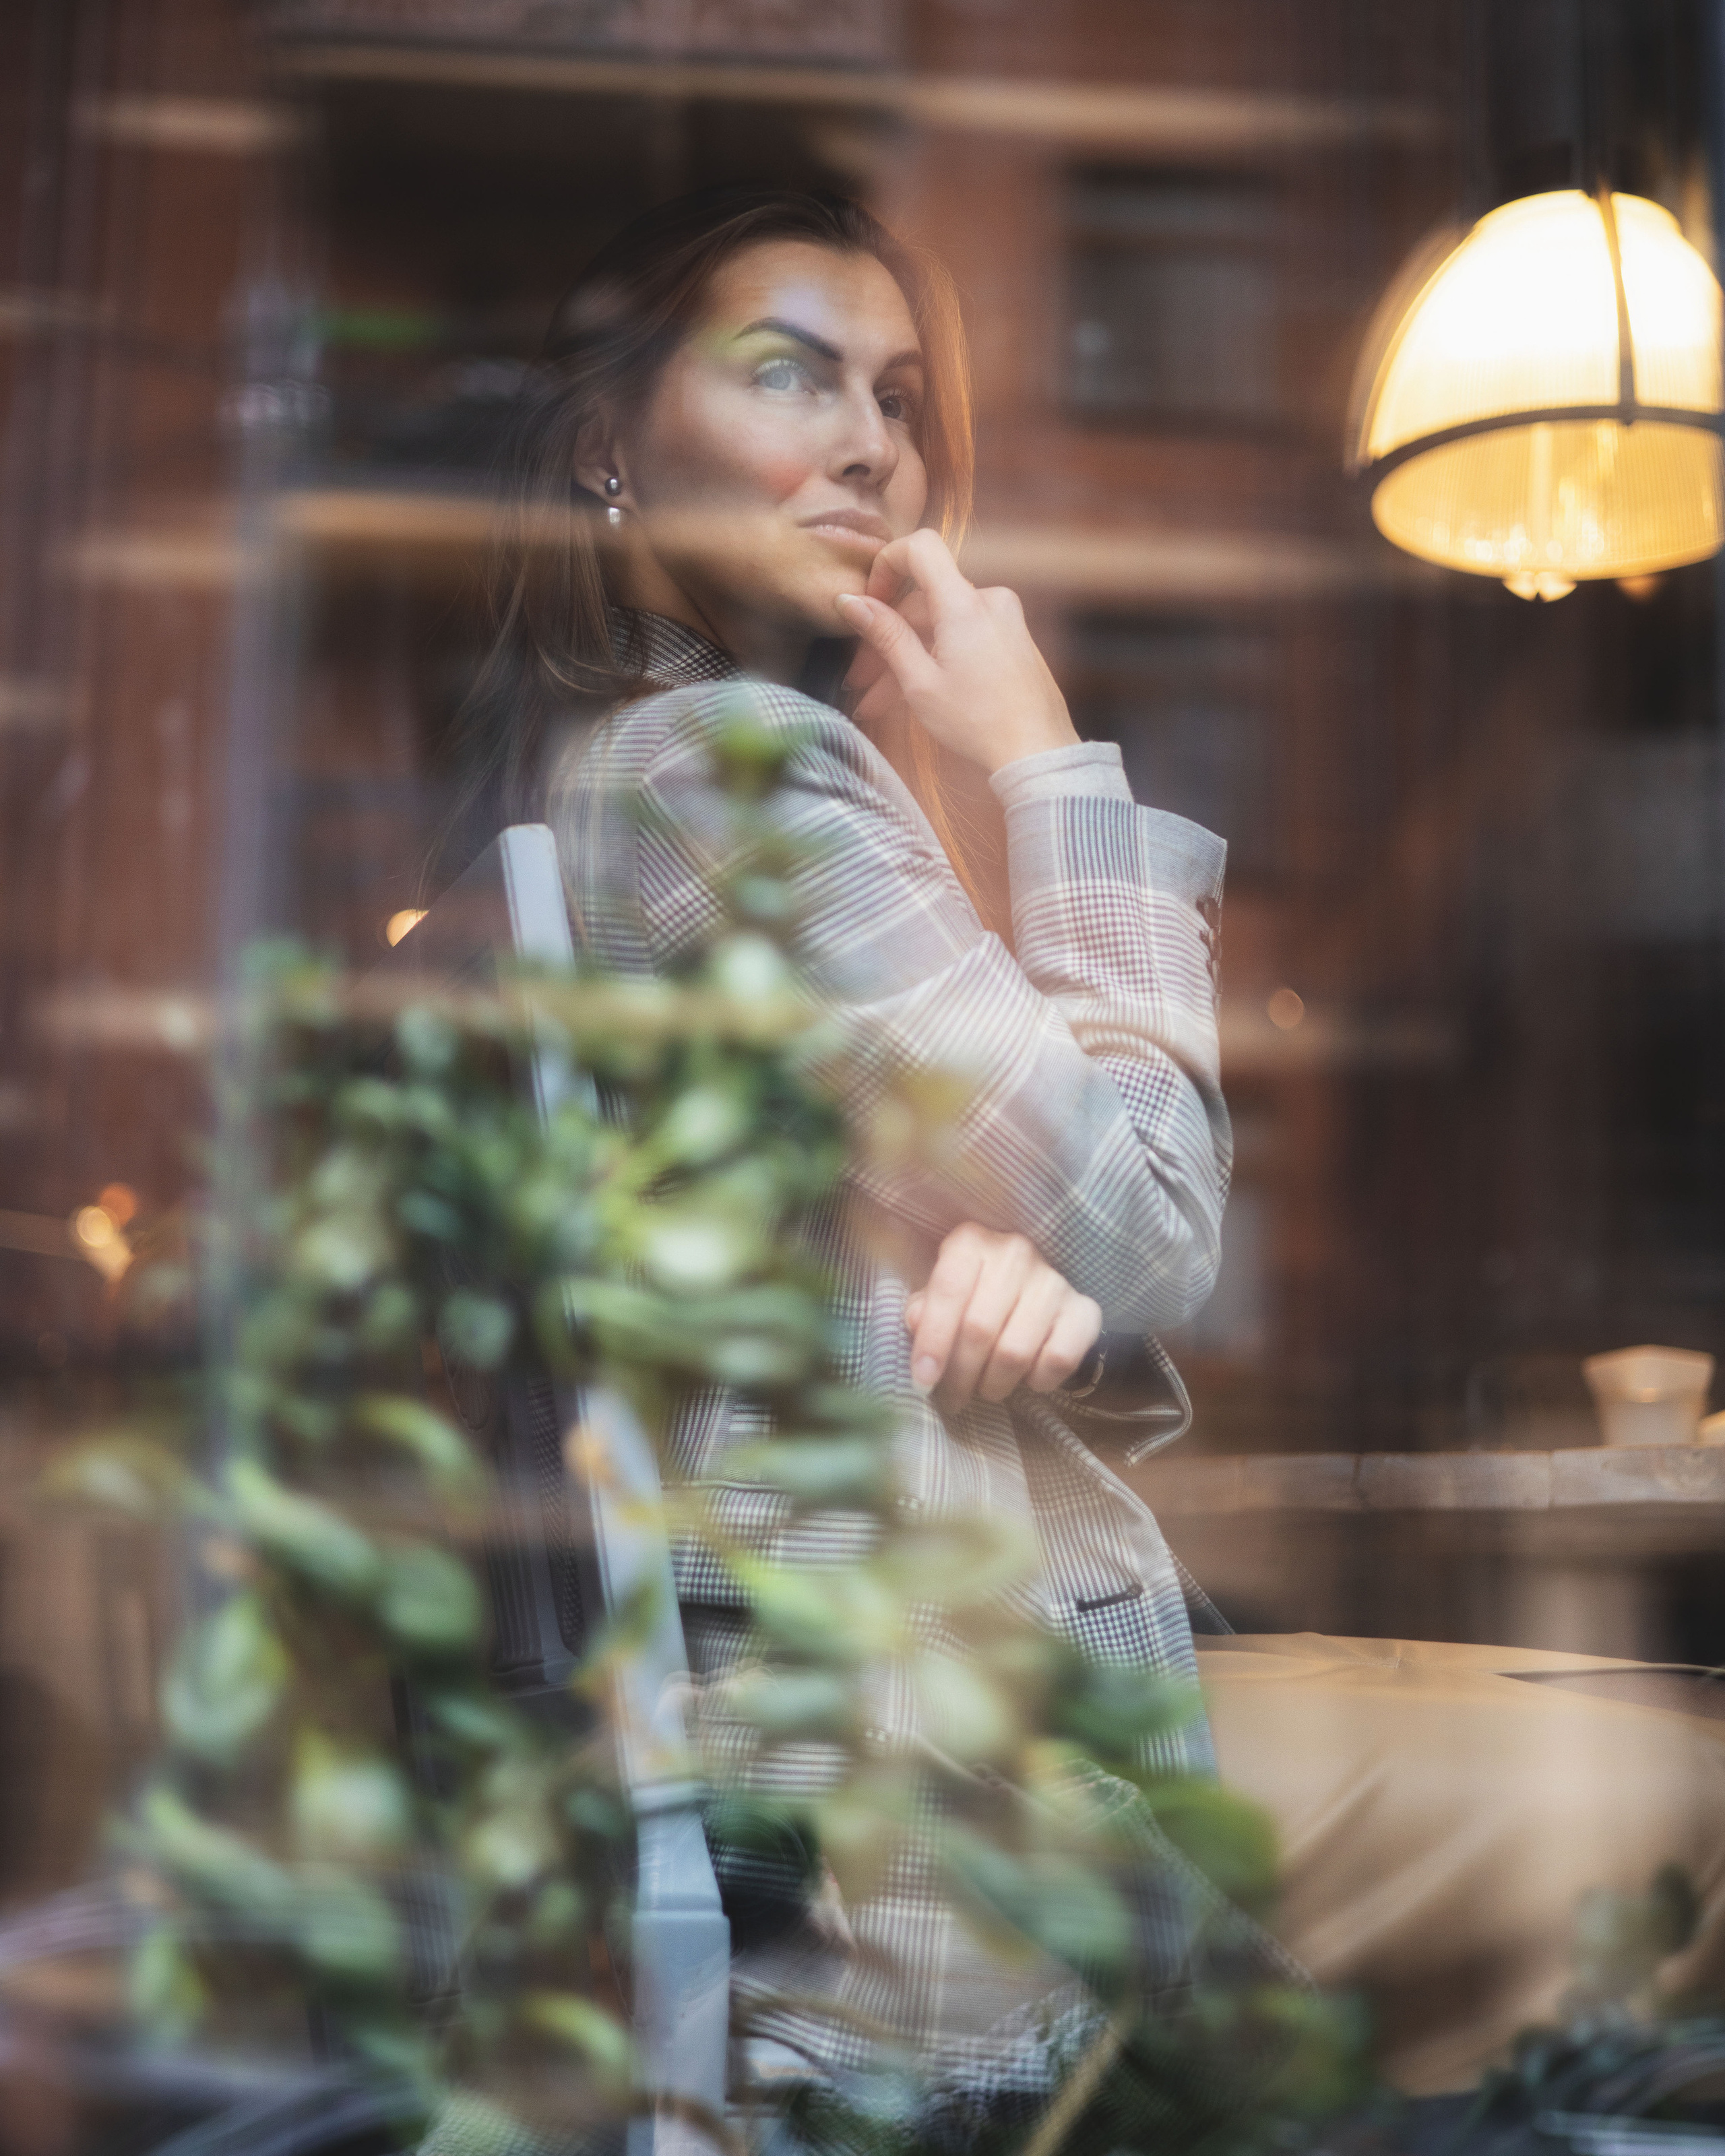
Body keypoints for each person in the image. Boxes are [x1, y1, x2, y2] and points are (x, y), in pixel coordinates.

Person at [460, 185, 1725, 2103]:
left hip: (948, 1712)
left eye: (894, 391)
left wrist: (1007, 1262)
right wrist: (1046, 754)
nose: (873, 442)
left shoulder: (642, 772)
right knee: (1677, 1782)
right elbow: (1153, 1226)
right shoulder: (732, 773)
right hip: (976, 1794)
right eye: (786, 372)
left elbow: (1054, 1263)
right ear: (608, 446)